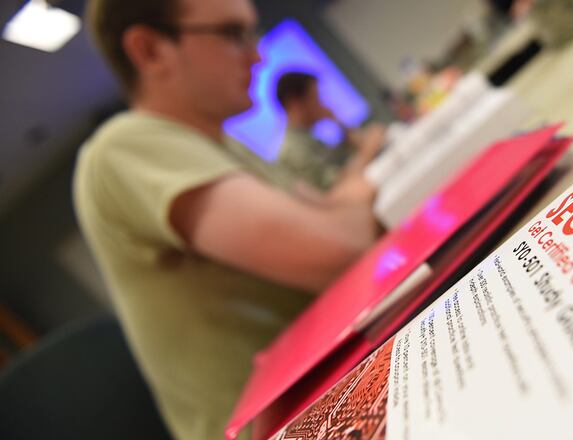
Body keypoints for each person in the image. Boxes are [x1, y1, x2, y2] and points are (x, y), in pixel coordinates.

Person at [74, 0, 379, 439]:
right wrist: (357, 194)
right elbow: (340, 251)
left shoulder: (225, 145)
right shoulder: (123, 147)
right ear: (150, 50)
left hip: (330, 374)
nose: (257, 55)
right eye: (233, 34)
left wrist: (346, 203)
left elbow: (328, 213)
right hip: (286, 422)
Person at [275, 71, 384, 192]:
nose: (322, 104)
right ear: (295, 104)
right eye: (316, 98)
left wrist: (338, 122)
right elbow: (337, 187)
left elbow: (346, 158)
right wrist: (367, 150)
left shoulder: (307, 137)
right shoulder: (293, 150)